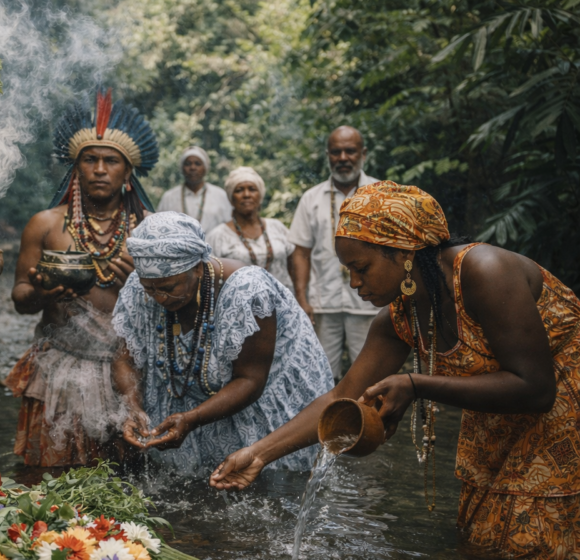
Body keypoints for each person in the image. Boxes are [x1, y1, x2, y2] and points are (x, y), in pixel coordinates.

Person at [211, 182, 580, 559]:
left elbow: (536, 389)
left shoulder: (485, 271)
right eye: (348, 271)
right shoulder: (401, 317)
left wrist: (415, 385)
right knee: (483, 543)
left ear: (403, 253)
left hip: (565, 420)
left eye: (361, 268)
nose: (354, 283)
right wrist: (258, 454)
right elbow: (342, 396)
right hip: (497, 427)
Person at [111, 212, 333, 474]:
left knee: (264, 482)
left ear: (197, 267)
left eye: (169, 287)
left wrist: (192, 418)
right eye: (150, 289)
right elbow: (125, 358)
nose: (159, 298)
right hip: (194, 412)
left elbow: (250, 380)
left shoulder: (247, 290)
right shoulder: (139, 287)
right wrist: (133, 407)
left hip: (258, 407)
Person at [6, 89, 160, 467]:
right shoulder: (45, 224)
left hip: (128, 370)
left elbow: (176, 304)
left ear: (128, 172)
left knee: (127, 475)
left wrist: (140, 287)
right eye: (90, 159)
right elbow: (20, 298)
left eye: (111, 160)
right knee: (53, 478)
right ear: (76, 168)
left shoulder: (151, 231)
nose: (100, 169)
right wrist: (43, 294)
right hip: (61, 367)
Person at [289, 126, 380, 381]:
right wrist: (301, 299)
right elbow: (301, 253)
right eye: (336, 152)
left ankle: (370, 410)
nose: (343, 158)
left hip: (370, 302)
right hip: (323, 302)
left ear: (363, 154)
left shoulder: (380, 194)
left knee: (371, 375)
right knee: (321, 375)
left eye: (350, 151)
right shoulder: (311, 198)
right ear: (327, 155)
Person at [206, 166, 295, 290]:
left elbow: (294, 265)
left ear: (260, 195)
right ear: (231, 198)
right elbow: (210, 278)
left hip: (282, 300)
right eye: (239, 190)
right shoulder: (217, 236)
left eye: (252, 189)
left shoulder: (277, 227)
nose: (246, 195)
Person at [156, 147, 232, 234]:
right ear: (182, 168)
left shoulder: (220, 195)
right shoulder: (169, 197)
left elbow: (230, 227)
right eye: (188, 164)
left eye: (197, 163)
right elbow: (159, 228)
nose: (192, 167)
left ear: (205, 168)